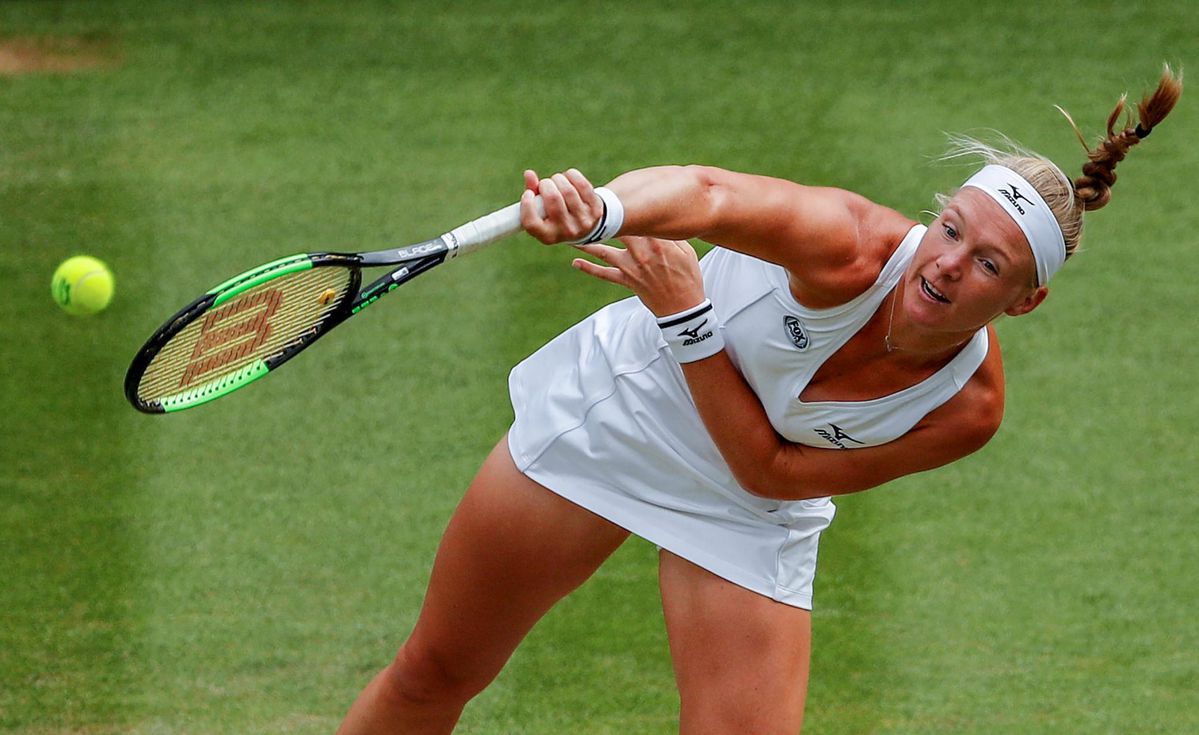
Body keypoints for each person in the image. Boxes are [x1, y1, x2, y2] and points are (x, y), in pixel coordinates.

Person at [336, 68, 1181, 734]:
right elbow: (707, 194)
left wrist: (688, 318)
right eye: (951, 228)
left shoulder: (967, 410)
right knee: (437, 670)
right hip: (633, 404)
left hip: (749, 497)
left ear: (1023, 302)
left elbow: (769, 472)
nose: (950, 263)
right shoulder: (849, 245)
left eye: (989, 265)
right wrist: (605, 211)